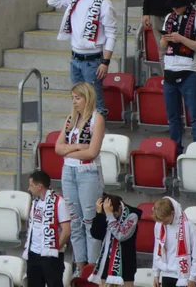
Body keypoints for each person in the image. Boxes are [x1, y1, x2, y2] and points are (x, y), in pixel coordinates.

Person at [56, 82, 105, 270]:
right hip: (68, 171)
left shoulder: (96, 119)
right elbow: (58, 148)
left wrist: (67, 152)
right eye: (72, 98)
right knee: (75, 220)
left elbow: (92, 152)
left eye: (78, 98)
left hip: (88, 172)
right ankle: (79, 265)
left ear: (87, 98)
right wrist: (76, 147)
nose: (74, 102)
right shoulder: (70, 119)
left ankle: (92, 268)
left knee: (90, 220)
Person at [49, 0, 114, 105]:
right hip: (75, 58)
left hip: (93, 61)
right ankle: (81, 127)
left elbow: (111, 34)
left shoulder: (104, 4)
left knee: (95, 101)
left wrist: (105, 62)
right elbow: (52, 1)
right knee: (78, 101)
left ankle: (97, 127)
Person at [160, 0, 196, 152]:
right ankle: (175, 151)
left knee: (195, 117)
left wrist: (181, 39)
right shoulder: (168, 18)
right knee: (172, 118)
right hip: (170, 70)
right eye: (173, 6)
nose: (175, 9)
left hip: (189, 72)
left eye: (178, 5)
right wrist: (165, 39)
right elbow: (162, 45)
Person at [22, 170, 70, 287]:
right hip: (33, 254)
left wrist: (54, 249)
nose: (29, 189)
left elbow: (66, 230)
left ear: (39, 186)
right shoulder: (35, 202)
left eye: (31, 185)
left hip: (51, 257)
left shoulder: (59, 202)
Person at [87, 195, 139, 287]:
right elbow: (96, 234)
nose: (112, 217)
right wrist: (99, 215)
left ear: (119, 208)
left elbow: (121, 235)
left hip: (125, 265)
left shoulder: (132, 215)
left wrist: (110, 216)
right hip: (106, 263)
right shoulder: (106, 214)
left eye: (114, 215)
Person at [151, 197, 196, 287]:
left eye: (165, 220)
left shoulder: (189, 226)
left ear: (172, 213)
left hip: (184, 276)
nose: (163, 223)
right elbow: (157, 250)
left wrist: (193, 277)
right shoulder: (159, 225)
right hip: (166, 274)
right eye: (161, 221)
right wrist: (156, 274)